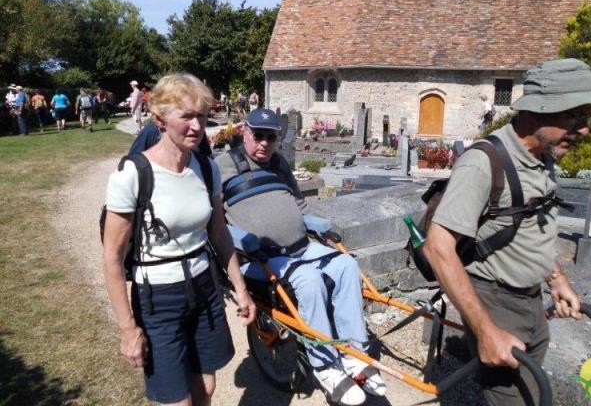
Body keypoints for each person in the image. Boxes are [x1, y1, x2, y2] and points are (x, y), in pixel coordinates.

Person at [422, 58, 591, 405]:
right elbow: (438, 248)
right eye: (574, 117)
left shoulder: (543, 158)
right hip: (495, 302)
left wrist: (556, 280)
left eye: (586, 118)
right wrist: (486, 331)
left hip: (531, 300)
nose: (584, 130)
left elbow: (533, 226)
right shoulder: (483, 162)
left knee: (531, 393)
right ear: (536, 113)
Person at [215, 108, 386, 406]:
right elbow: (214, 219)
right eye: (258, 135)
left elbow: (298, 205)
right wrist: (238, 240)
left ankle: (354, 354)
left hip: (301, 247)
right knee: (308, 280)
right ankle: (325, 367)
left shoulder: (279, 164)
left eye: (271, 137)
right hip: (259, 257)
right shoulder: (223, 165)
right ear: (245, 133)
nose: (264, 143)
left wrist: (319, 226)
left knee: (346, 264)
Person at [103, 73, 255, 405]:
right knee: (177, 399)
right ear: (158, 119)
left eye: (201, 115)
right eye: (185, 116)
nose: (197, 126)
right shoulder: (132, 175)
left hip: (204, 288)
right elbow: (112, 257)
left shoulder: (205, 168)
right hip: (157, 298)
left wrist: (241, 290)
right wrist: (128, 329)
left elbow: (218, 233)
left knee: (207, 387)